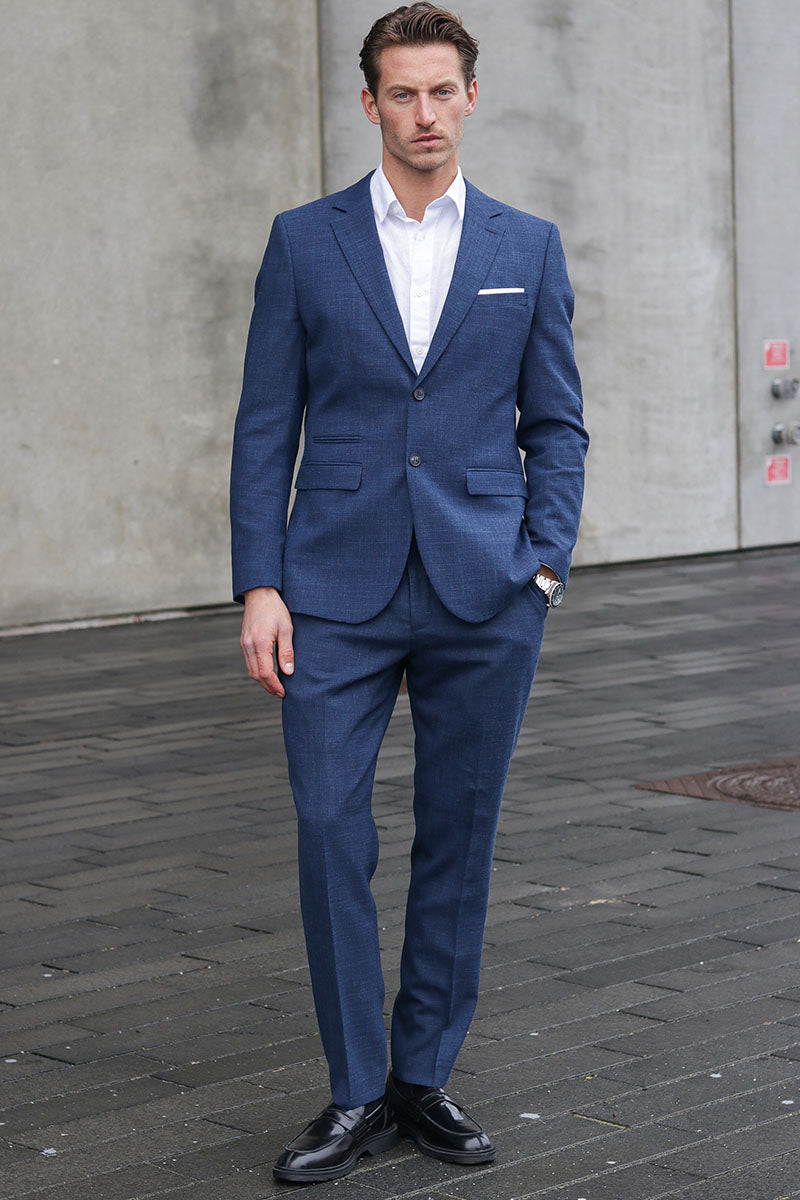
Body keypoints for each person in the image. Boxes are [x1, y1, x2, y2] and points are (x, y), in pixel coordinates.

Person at [230, 2, 588, 1184]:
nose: (423, 113)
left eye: (442, 91)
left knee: (458, 834)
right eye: (401, 93)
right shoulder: (304, 241)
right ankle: (352, 1092)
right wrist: (260, 583)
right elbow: (264, 427)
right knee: (330, 830)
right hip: (330, 590)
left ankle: (421, 1077)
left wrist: (541, 563)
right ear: (370, 102)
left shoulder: (526, 245)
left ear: (469, 98)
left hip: (485, 588)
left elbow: (557, 424)